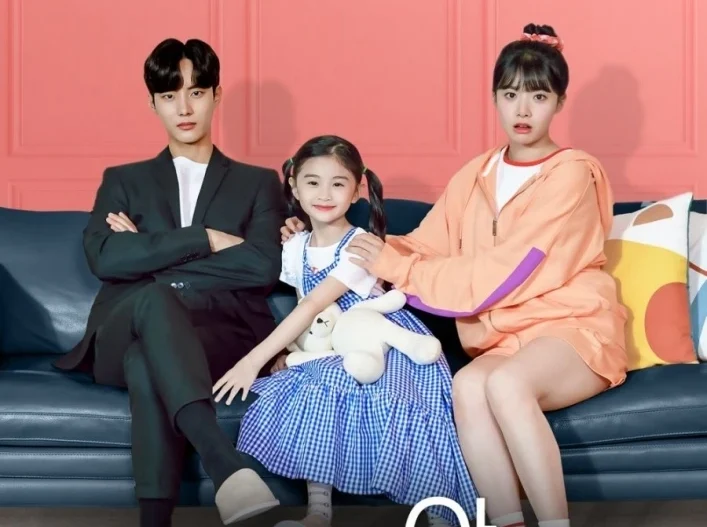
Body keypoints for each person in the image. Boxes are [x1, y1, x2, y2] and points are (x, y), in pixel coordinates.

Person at [280, 24, 628, 527]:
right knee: (466, 386)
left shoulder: (572, 172)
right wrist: (329, 239)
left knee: (506, 385)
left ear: (559, 102)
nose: (523, 110)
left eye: (538, 96)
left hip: (571, 328)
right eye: (510, 94)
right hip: (503, 338)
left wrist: (397, 266)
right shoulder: (477, 174)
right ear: (494, 98)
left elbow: (512, 267)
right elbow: (426, 243)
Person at [52, 38, 286, 527]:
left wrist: (147, 252)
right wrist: (203, 239)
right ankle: (225, 467)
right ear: (152, 103)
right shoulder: (123, 180)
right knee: (152, 306)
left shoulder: (258, 182)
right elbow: (103, 257)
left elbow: (262, 265)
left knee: (148, 358)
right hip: (119, 332)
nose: (183, 108)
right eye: (169, 96)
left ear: (216, 95)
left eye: (196, 92)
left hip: (216, 334)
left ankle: (156, 520)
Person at [213, 135, 479, 527]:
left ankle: (439, 512)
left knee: (402, 407)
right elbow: (273, 278)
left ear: (356, 191)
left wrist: (252, 362)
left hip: (382, 344)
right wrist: (199, 239)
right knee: (315, 388)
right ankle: (318, 512)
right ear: (294, 187)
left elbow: (311, 304)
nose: (324, 194)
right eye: (313, 182)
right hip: (332, 347)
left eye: (338, 183)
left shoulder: (360, 246)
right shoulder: (295, 246)